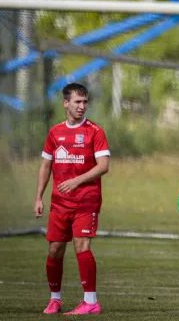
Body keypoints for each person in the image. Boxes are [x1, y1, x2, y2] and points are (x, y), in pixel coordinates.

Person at [34, 83, 110, 315]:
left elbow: (104, 166)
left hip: (86, 200)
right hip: (59, 203)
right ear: (66, 103)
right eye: (78, 102)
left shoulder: (95, 132)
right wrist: (38, 197)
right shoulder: (55, 133)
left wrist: (77, 181)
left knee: (81, 245)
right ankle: (55, 299)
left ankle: (91, 301)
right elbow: (46, 165)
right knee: (55, 250)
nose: (82, 106)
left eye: (85, 102)